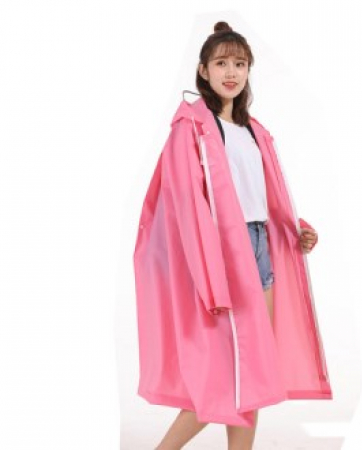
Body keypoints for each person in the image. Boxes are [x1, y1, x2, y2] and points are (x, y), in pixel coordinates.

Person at [134, 21, 329, 450]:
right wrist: (212, 273)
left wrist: (294, 228)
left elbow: (259, 195)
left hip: (260, 248)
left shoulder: (253, 130)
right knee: (224, 377)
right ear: (203, 71)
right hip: (222, 253)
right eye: (221, 63)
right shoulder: (191, 128)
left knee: (254, 371)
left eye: (240, 64)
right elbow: (185, 204)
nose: (231, 72)